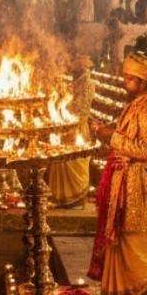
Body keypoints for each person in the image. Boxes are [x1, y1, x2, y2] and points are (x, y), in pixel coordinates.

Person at [89, 53, 147, 295]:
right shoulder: (137, 104)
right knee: (128, 238)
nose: (125, 82)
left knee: (143, 239)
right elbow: (125, 135)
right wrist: (106, 132)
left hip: (144, 183)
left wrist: (111, 137)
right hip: (127, 180)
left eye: (130, 78)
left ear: (144, 82)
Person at [47, 56, 94, 208]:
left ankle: (75, 200)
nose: (69, 66)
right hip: (65, 127)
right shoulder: (73, 83)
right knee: (60, 161)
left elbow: (80, 109)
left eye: (72, 63)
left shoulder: (88, 84)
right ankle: (60, 197)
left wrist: (61, 104)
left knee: (74, 162)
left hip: (77, 129)